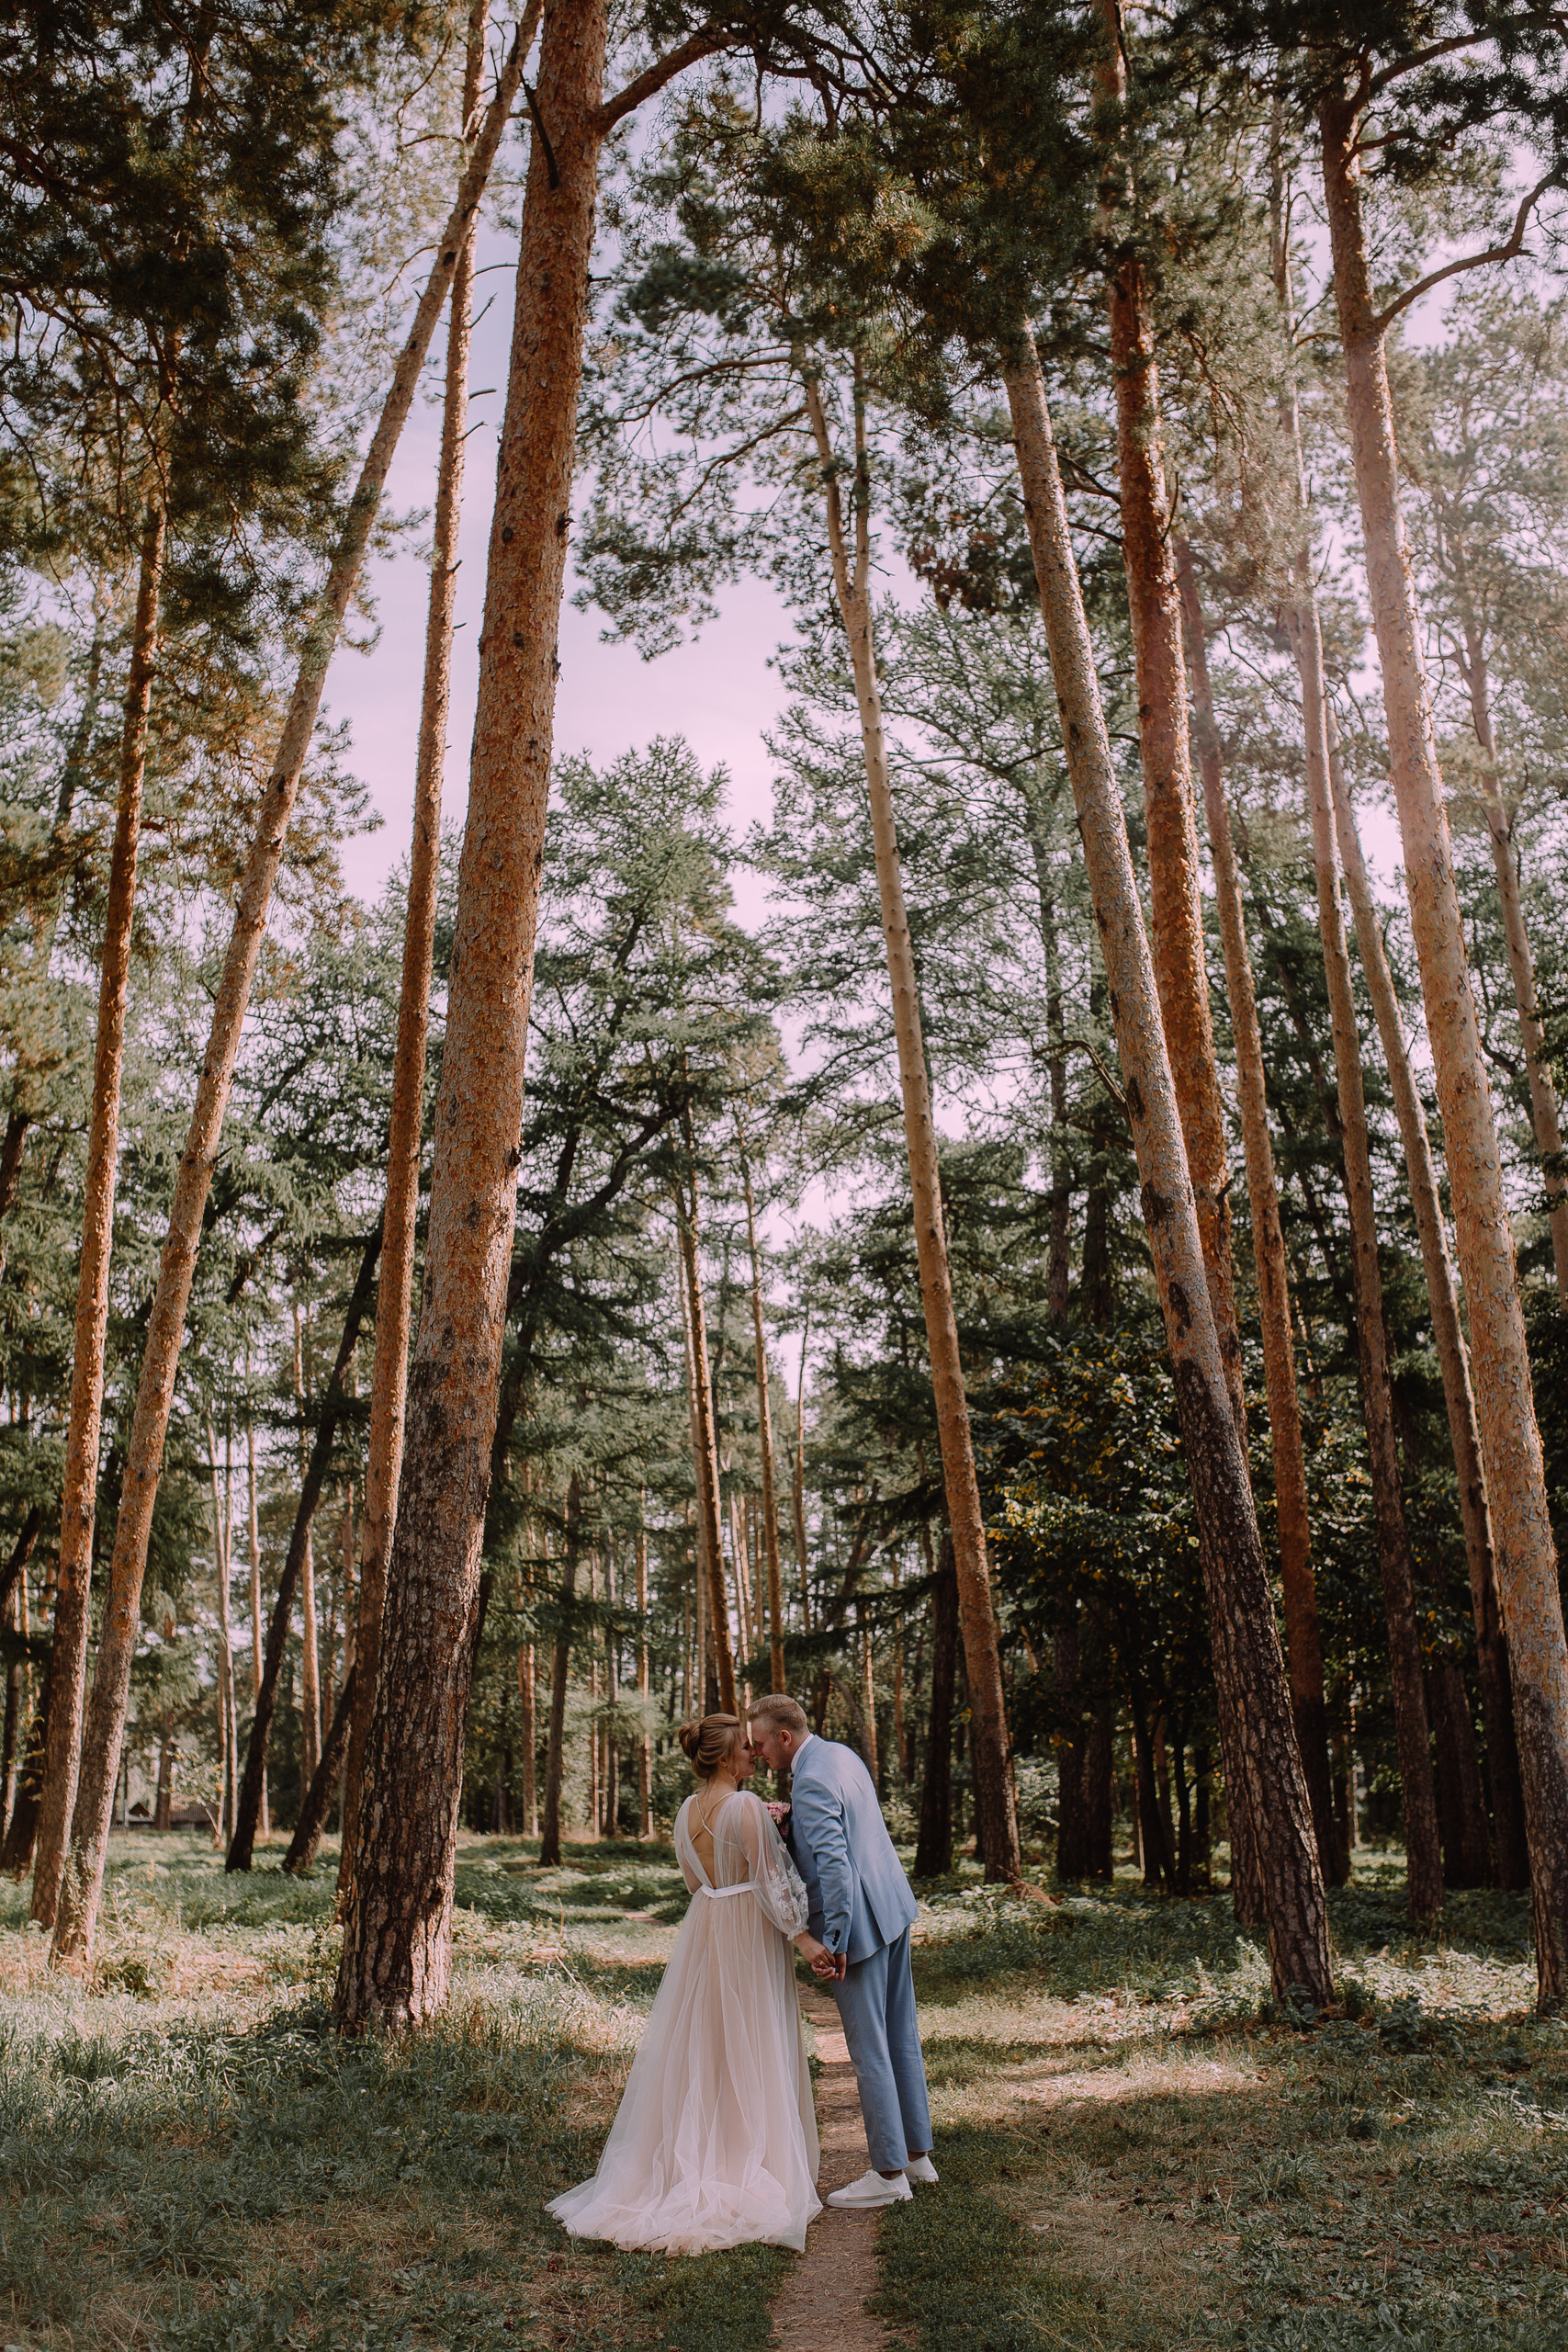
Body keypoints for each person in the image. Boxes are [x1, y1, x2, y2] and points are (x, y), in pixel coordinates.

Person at [547, 1712, 839, 2255]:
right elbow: (773, 1884)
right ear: (728, 1758)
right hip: (748, 1930)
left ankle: (703, 2148)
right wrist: (805, 1940)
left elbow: (692, 1880)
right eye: (747, 1749)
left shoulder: (685, 1812)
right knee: (751, 2036)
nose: (755, 1755)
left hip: (707, 1923)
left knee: (706, 2039)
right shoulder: (747, 1807)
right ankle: (749, 2157)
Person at [748, 1693, 936, 2211]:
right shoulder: (842, 1755)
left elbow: (834, 1865)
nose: (757, 1753)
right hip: (894, 1910)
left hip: (860, 1929)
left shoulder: (809, 1779)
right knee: (902, 2036)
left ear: (784, 1737)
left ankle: (888, 2173)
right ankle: (918, 2156)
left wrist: (835, 1939)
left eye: (761, 1743)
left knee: (869, 2049)